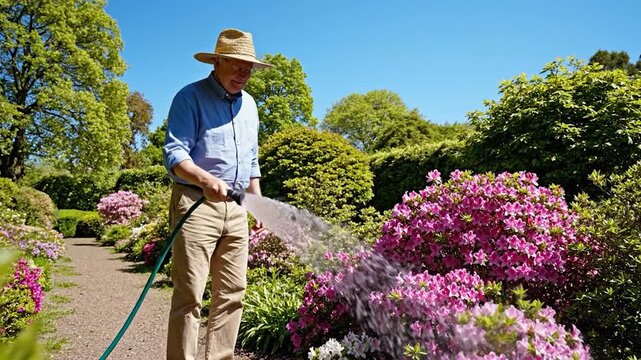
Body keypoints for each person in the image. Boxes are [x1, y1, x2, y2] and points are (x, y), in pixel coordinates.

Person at [162, 28, 272, 360]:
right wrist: (205, 179)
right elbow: (175, 154)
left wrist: (260, 208)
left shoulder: (250, 105)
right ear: (218, 61)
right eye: (237, 65)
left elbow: (251, 161)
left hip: (237, 210)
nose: (244, 73)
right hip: (196, 206)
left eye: (249, 67)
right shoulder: (189, 97)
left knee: (233, 294)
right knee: (190, 296)